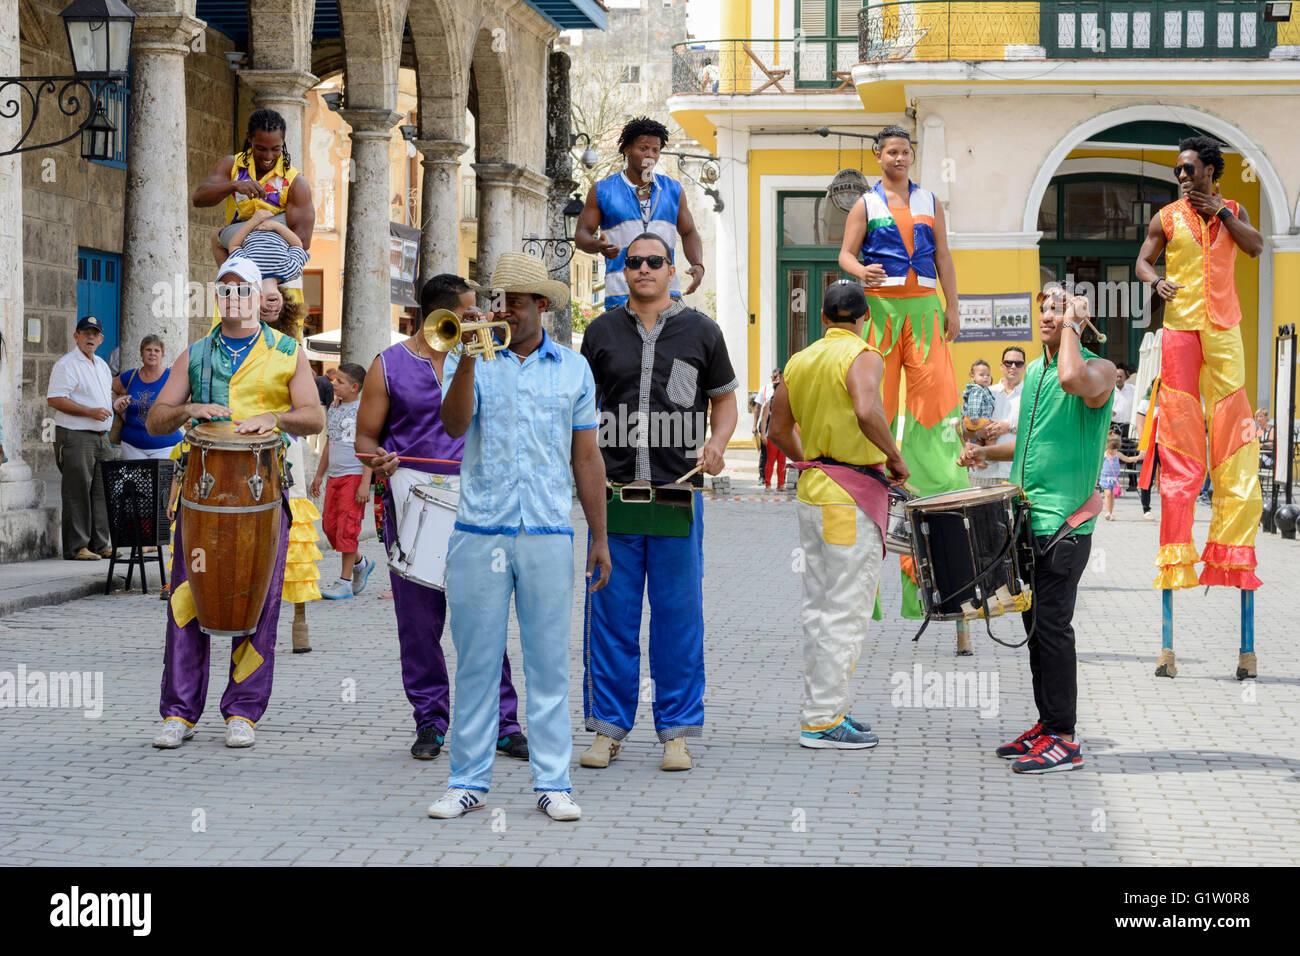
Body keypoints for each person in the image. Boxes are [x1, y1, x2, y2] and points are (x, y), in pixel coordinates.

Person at [425, 253, 610, 822]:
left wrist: (598, 537)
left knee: (549, 662)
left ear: (542, 308)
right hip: (480, 529)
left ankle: (553, 782)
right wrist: (467, 362)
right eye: (498, 299)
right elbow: (454, 427)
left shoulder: (574, 369)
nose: (502, 309)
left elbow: (586, 456)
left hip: (549, 530)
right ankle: (467, 780)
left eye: (514, 301)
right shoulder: (470, 353)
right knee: (477, 659)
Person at [145, 254, 324, 750]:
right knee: (186, 595)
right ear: (217, 298)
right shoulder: (195, 354)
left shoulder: (288, 352)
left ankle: (242, 710)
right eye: (224, 290)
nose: (234, 299)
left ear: (257, 296)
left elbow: (314, 416)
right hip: (200, 497)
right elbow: (156, 421)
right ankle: (179, 712)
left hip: (262, 494)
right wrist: (187, 408)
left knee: (259, 598)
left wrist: (276, 418)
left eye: (243, 290)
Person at [578, 233, 739, 773]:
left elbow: (724, 400)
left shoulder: (702, 331)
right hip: (614, 499)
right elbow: (583, 410)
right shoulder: (600, 333)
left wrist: (716, 444)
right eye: (633, 262)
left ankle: (676, 732)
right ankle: (609, 730)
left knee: (678, 620)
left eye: (654, 261)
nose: (643, 269)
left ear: (673, 270)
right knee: (611, 617)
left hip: (678, 496)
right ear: (623, 271)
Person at [355, 273, 529, 761]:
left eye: (479, 313)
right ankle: (430, 721)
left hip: (476, 501)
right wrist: (378, 459)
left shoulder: (487, 359)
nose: (478, 320)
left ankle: (503, 722)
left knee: (484, 614)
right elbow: (365, 438)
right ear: (436, 315)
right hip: (412, 501)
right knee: (418, 620)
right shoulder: (387, 365)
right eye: (468, 314)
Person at [959, 291, 1114, 773]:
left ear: (1078, 321)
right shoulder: (1036, 377)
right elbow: (1027, 446)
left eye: (1058, 310)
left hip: (1066, 526)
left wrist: (1072, 325)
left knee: (1053, 630)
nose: (1047, 317)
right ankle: (1048, 726)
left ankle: (1065, 738)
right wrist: (986, 454)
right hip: (1027, 521)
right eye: (1044, 310)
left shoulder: (1099, 371)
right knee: (1035, 632)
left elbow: (1074, 378)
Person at [837, 124, 970, 650]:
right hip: (883, 310)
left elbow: (943, 258)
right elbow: (843, 257)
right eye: (891, 151)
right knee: (872, 415)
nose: (899, 157)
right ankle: (866, 587)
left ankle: (935, 582)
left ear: (912, 156)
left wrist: (953, 306)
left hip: (925, 311)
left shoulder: (931, 200)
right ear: (878, 156)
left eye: (906, 150)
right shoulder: (864, 205)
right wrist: (859, 269)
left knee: (934, 419)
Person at [767, 282, 909, 750]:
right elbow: (867, 409)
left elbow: (777, 428)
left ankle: (824, 710)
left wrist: (813, 458)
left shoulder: (800, 360)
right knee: (845, 610)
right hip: (850, 495)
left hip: (814, 491)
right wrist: (894, 457)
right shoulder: (865, 355)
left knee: (819, 608)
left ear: (825, 318)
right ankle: (823, 720)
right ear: (863, 316)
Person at [1134, 136, 1263, 613]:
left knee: (1233, 435)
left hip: (1225, 326)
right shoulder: (1165, 217)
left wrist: (1224, 215)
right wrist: (1155, 280)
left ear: (1210, 170)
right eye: (1178, 172)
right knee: (1181, 434)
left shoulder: (1236, 210)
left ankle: (1230, 551)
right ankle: (1177, 554)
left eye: (1189, 169)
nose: (1183, 177)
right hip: (1180, 329)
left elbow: (1256, 248)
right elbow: (1142, 261)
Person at [575, 116, 706, 311]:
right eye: (643, 148)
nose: (650, 156)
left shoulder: (673, 189)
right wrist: (596, 245)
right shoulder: (602, 190)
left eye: (655, 150)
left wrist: (697, 264)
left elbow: (689, 232)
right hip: (621, 297)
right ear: (627, 149)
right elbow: (581, 234)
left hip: (668, 297)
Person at [192, 109, 314, 254]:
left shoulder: (295, 182)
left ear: (283, 141)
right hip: (239, 243)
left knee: (218, 237)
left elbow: (303, 241)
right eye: (261, 149)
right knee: (218, 239)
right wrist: (235, 185)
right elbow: (199, 199)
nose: (268, 156)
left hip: (274, 251)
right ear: (249, 138)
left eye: (275, 149)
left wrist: (266, 235)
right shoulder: (232, 166)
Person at [46, 315, 115, 560]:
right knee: (77, 491)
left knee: (102, 491)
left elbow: (102, 398)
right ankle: (77, 547)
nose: (90, 337)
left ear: (101, 339)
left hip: (100, 437)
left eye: (94, 334)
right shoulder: (67, 364)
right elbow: (55, 399)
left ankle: (100, 544)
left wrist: (115, 406)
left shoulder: (102, 366)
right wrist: (90, 411)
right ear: (76, 336)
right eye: (85, 333)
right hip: (76, 435)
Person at [310, 363, 375, 601]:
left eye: (340, 382)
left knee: (348, 528)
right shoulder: (335, 408)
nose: (333, 384)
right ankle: (361, 562)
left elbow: (368, 449)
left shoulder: (364, 410)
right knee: (330, 528)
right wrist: (319, 474)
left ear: (354, 387)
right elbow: (330, 442)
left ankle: (344, 581)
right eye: (334, 381)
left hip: (354, 475)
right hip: (335, 477)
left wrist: (365, 482)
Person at [112, 334, 183, 461]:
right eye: (148, 350)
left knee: (163, 481)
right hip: (132, 446)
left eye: (157, 350)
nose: (152, 354)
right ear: (141, 354)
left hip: (166, 446)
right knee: (134, 481)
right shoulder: (131, 376)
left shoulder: (172, 377)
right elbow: (108, 388)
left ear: (162, 355)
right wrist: (118, 406)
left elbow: (188, 401)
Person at [971, 346, 1025, 488]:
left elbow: (1039, 429)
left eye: (1018, 363)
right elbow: (967, 427)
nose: (1013, 367)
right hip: (984, 474)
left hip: (1017, 473)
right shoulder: (985, 392)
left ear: (1024, 367)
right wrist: (980, 431)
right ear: (1001, 366)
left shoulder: (1031, 395)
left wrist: (1010, 427)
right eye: (1008, 363)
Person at [1098, 433, 1140, 521]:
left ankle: (1110, 512)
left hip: (1114, 478)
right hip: (1105, 477)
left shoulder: (1118, 454)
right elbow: (1097, 465)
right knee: (1108, 494)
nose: (1112, 451)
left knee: (1112, 496)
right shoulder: (1104, 454)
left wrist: (1138, 457)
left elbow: (1128, 459)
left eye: (1115, 449)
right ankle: (1107, 512)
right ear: (1107, 446)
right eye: (1111, 449)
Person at [760, 371, 788, 492]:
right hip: (771, 436)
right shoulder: (768, 404)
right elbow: (764, 420)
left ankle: (780, 485)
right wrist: (762, 435)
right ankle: (768, 484)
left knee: (782, 461)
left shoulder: (786, 404)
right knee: (770, 461)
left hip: (783, 437)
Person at [961, 359, 995, 444]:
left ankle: (978, 450)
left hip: (978, 419)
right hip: (975, 419)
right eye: (981, 375)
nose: (985, 377)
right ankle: (991, 451)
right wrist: (974, 417)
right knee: (991, 433)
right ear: (973, 377)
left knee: (980, 440)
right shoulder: (977, 390)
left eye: (988, 375)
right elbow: (974, 404)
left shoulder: (984, 389)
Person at [1111, 364, 1135, 437]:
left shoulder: (1132, 389)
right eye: (1117, 377)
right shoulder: (1110, 390)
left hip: (1128, 426)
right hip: (1113, 425)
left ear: (1125, 377)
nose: (1118, 379)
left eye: (1120, 377)